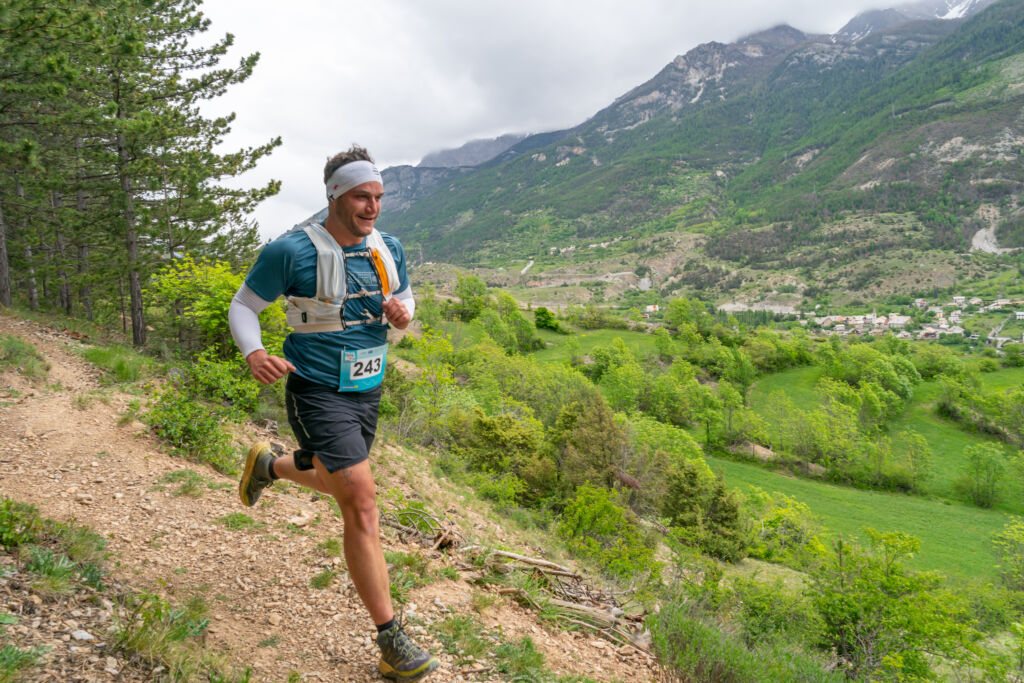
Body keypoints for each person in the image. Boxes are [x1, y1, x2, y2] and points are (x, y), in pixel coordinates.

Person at [228, 145, 439, 680]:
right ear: (336, 196)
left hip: (367, 387)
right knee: (362, 502)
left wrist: (401, 314)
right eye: (362, 197)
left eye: (379, 198)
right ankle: (392, 640)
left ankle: (269, 466)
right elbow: (244, 306)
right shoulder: (291, 251)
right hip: (315, 387)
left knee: (339, 479)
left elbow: (406, 308)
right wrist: (255, 352)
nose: (372, 208)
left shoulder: (388, 249)